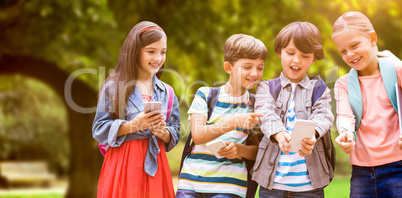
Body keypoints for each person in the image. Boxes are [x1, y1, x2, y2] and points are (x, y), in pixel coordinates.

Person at [92, 21, 180, 198]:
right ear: (135, 51)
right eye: (151, 51)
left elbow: (175, 132)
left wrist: (163, 132)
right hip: (122, 164)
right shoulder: (113, 87)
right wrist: (134, 125)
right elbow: (99, 129)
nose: (158, 58)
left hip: (156, 163)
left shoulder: (168, 92)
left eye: (163, 52)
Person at [176, 34, 267, 198]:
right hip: (191, 184)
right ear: (228, 67)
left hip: (230, 187)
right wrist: (234, 122)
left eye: (260, 67)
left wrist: (239, 149)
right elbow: (198, 136)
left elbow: (257, 151)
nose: (254, 73)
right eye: (247, 67)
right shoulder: (206, 95)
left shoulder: (256, 105)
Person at [252, 22, 334, 198]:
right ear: (280, 52)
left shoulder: (319, 88)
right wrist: (279, 133)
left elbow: (324, 114)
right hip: (272, 186)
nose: (296, 60)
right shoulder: (266, 87)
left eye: (305, 56)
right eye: (290, 53)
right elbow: (265, 113)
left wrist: (313, 133)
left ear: (313, 59)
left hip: (310, 188)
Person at [332, 11, 402, 197]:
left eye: (354, 45)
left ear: (372, 38)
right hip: (361, 172)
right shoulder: (343, 83)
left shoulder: (397, 71)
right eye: (344, 51)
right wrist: (346, 133)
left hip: (398, 166)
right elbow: (345, 116)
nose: (350, 54)